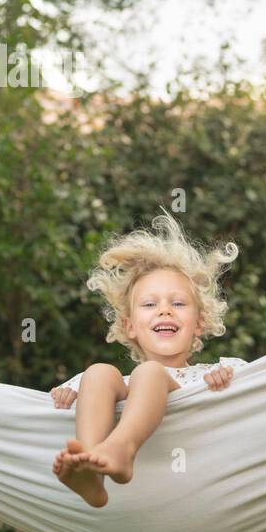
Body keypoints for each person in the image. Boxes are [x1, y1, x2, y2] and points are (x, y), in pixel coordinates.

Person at [50, 209, 245, 507]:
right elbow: (62, 398)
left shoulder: (213, 371)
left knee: (149, 372)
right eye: (150, 304)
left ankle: (121, 449)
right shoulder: (116, 384)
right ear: (130, 326)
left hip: (193, 482)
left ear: (199, 323)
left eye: (178, 303)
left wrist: (225, 379)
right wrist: (64, 393)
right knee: (100, 372)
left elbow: (258, 390)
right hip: (127, 475)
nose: (164, 310)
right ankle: (90, 467)